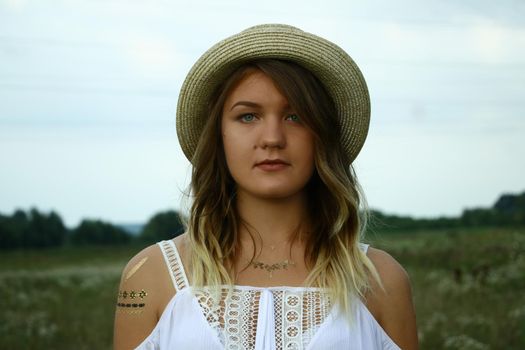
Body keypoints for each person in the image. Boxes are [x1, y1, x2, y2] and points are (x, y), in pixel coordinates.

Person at [113, 24, 418, 350]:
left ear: (322, 136)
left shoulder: (383, 281)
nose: (272, 138)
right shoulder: (147, 277)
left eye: (295, 116)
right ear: (219, 135)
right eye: (247, 117)